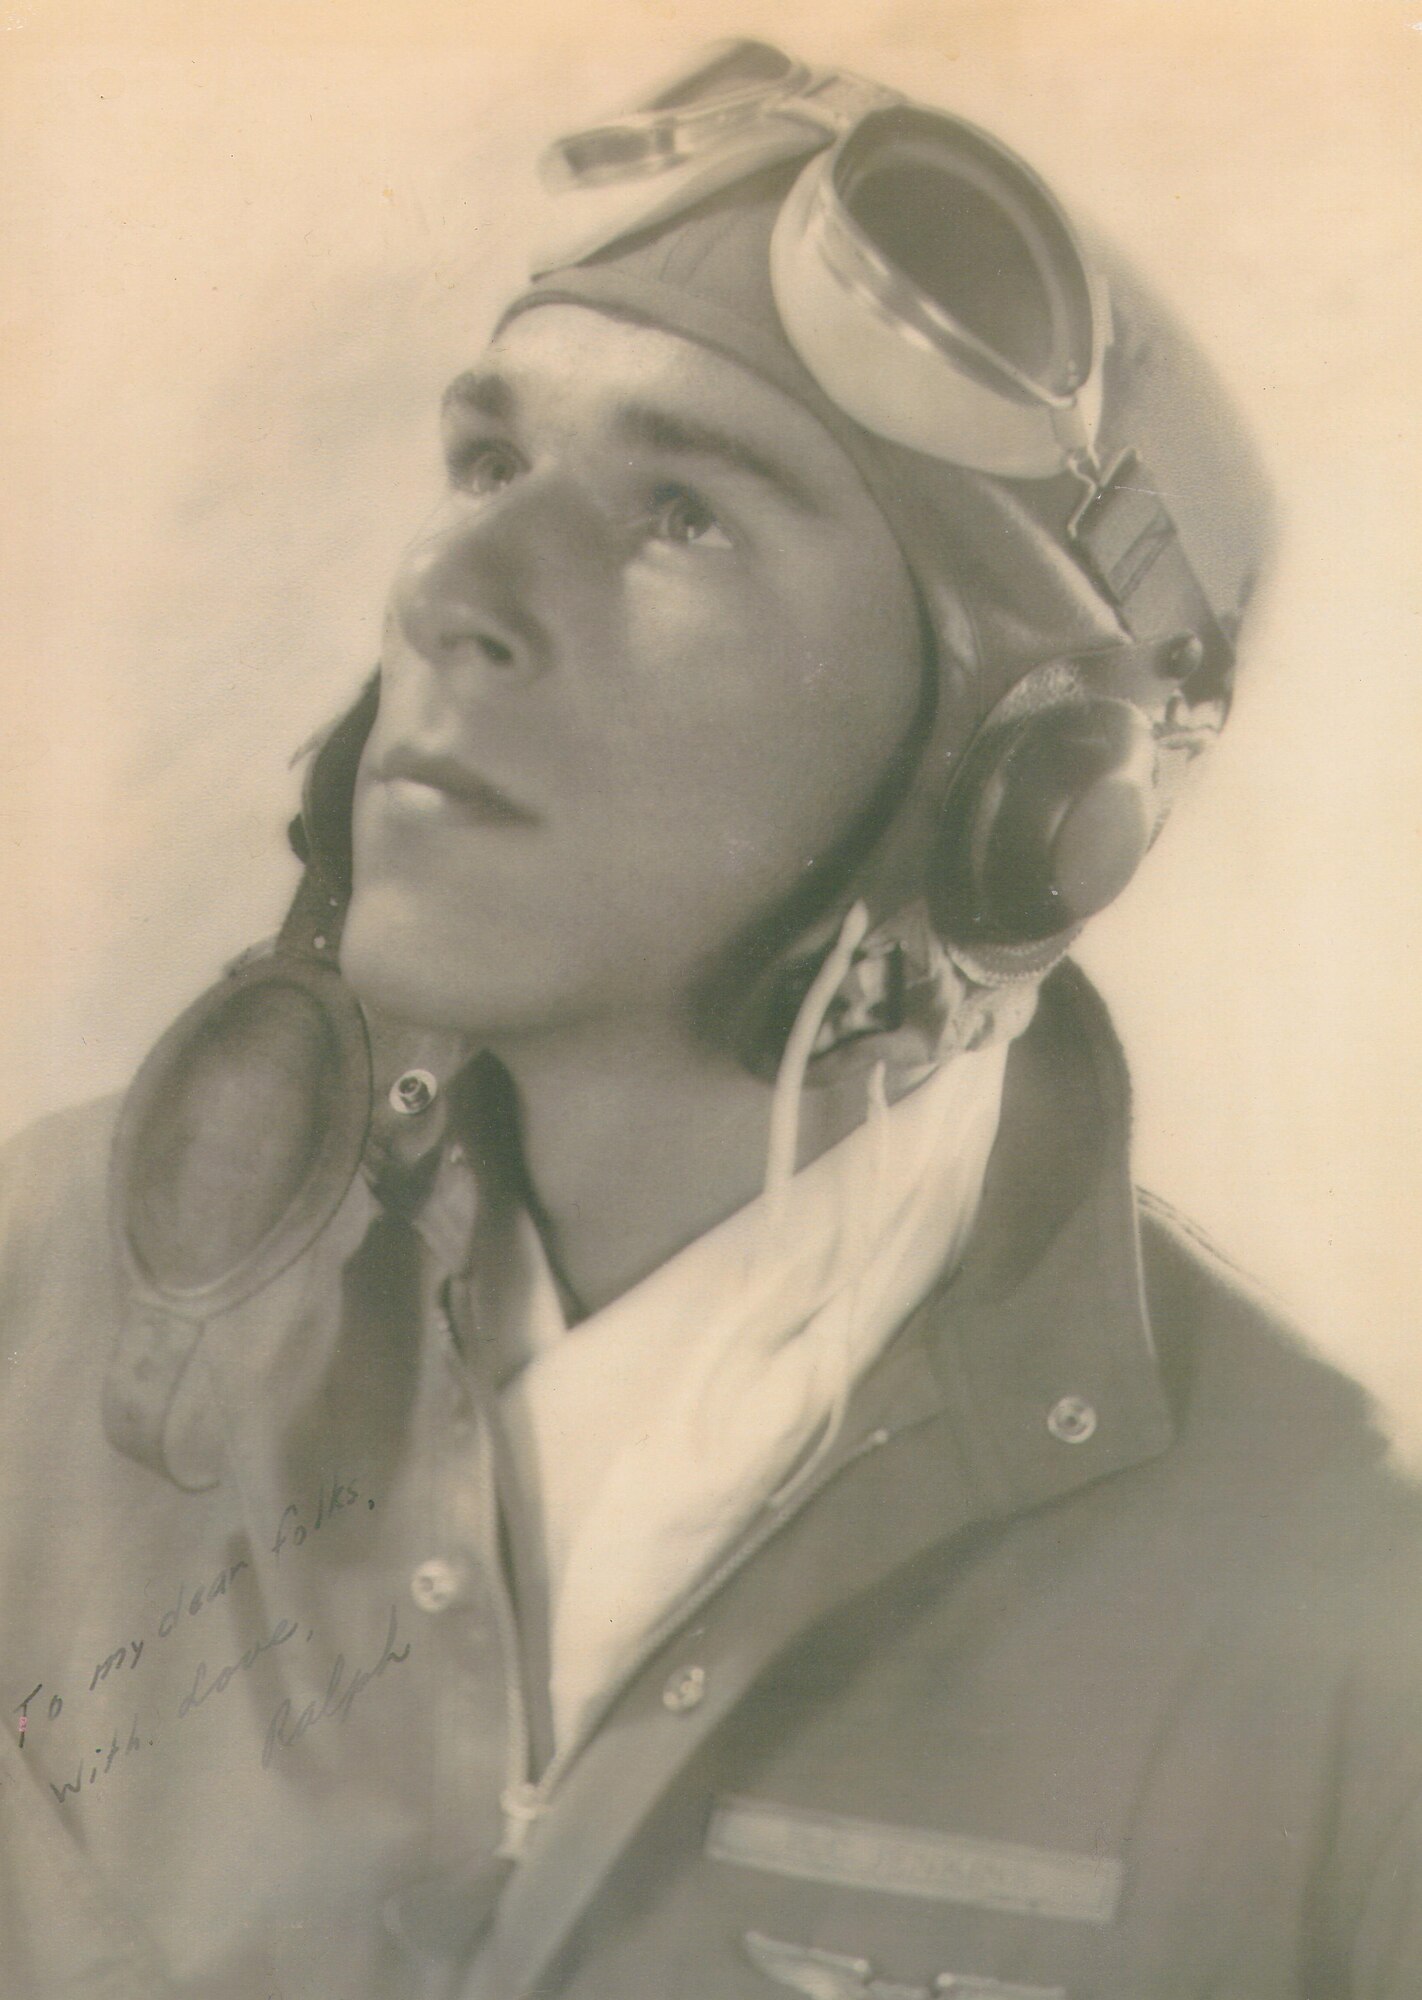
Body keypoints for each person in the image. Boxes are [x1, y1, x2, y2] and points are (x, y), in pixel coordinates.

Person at [2, 39, 1419, 2000]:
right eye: (493, 461)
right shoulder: (39, 1296)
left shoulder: (1337, 1601)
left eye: (684, 514)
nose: (448, 584)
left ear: (1022, 805)